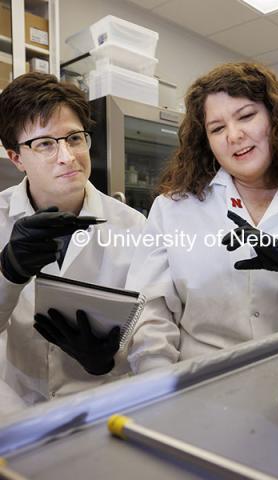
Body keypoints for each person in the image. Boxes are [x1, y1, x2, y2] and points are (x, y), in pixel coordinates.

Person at [126, 62, 278, 371]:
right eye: (217, 128)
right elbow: (151, 312)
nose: (234, 135)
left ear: (276, 119)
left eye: (246, 116)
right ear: (206, 142)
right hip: (201, 380)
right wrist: (158, 383)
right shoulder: (173, 208)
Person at [0, 73, 146, 405]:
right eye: (46, 144)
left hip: (102, 399)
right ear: (17, 158)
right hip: (17, 406)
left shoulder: (134, 226)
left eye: (74, 138)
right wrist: (7, 273)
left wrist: (107, 361)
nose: (67, 156)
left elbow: (151, 327)